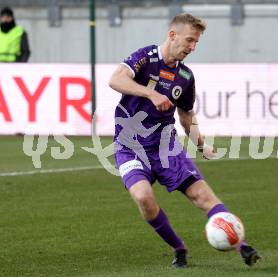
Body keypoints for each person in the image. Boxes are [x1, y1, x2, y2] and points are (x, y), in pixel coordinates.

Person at [108, 13, 260, 268]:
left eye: (196, 43)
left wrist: (201, 144)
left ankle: (242, 246)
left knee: (203, 197)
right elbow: (115, 79)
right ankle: (179, 248)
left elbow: (186, 114)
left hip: (166, 147)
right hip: (130, 145)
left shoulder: (186, 77)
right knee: (144, 198)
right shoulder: (146, 57)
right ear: (172, 35)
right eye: (189, 40)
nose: (192, 47)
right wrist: (151, 93)